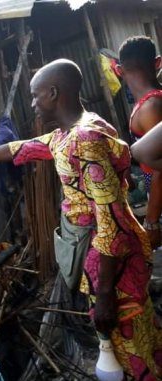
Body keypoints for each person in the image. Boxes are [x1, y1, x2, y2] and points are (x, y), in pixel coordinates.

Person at [0, 59, 162, 379]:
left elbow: (109, 219)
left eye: (35, 95)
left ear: (54, 93)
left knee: (131, 345)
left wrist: (107, 294)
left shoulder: (86, 140)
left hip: (116, 265)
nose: (32, 104)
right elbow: (21, 149)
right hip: (107, 261)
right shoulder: (69, 135)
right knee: (136, 338)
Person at [117, 36, 162, 249]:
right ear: (158, 63)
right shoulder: (147, 103)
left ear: (118, 70)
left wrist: (151, 221)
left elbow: (160, 170)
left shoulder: (150, 107)